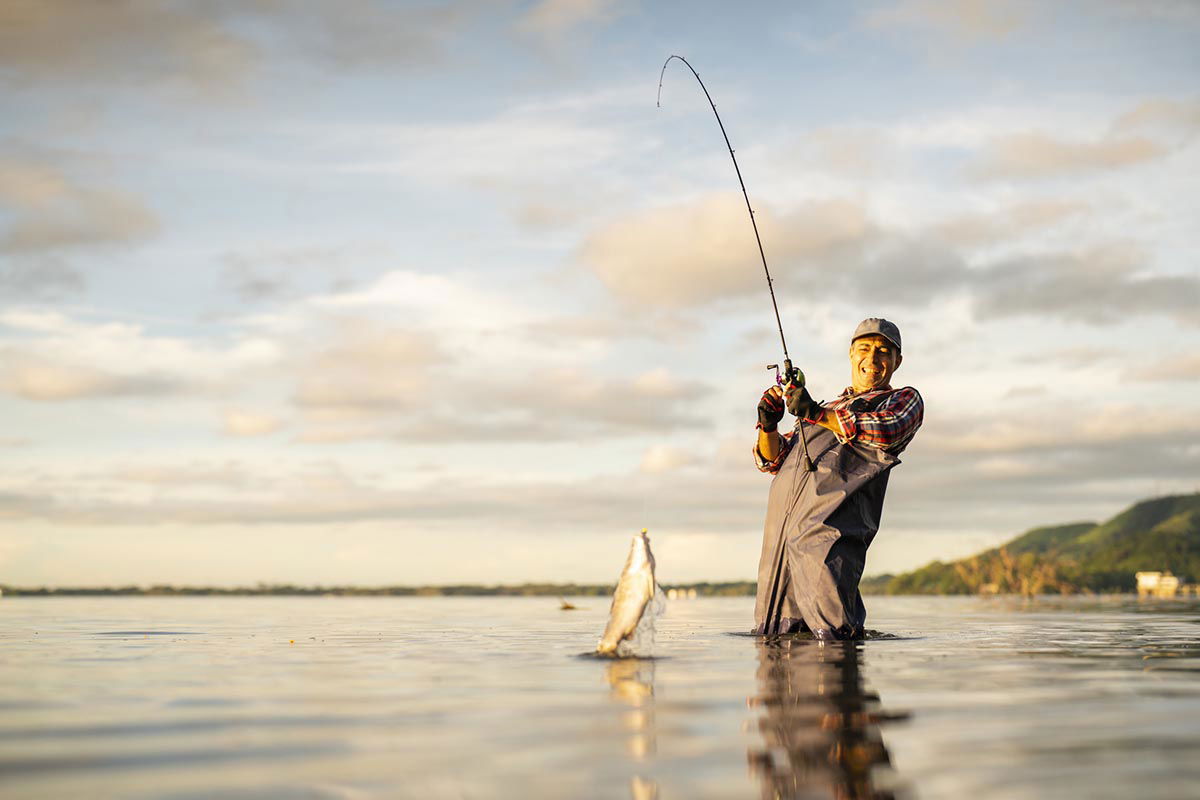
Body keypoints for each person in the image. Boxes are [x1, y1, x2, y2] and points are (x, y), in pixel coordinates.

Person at [752, 318, 923, 639]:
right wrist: (769, 424)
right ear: (851, 354)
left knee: (832, 643)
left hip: (828, 547)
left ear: (897, 361)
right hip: (779, 553)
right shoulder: (825, 409)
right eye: (864, 349)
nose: (872, 359)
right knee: (772, 645)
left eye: (883, 352)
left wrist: (813, 411)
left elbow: (886, 430)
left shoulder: (902, 400)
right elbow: (771, 459)